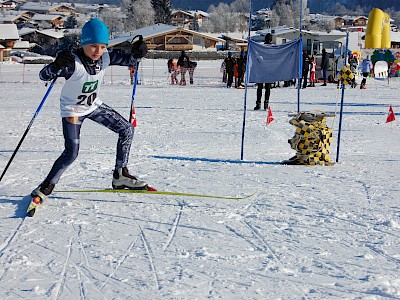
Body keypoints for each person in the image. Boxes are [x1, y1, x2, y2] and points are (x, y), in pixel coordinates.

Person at [31, 18, 149, 202]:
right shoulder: (72, 63)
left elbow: (131, 60)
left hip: (93, 106)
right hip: (73, 111)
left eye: (102, 46)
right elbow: (43, 75)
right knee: (71, 153)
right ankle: (46, 186)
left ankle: (120, 174)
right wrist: (55, 65)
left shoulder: (105, 57)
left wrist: (139, 51)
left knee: (126, 129)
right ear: (84, 43)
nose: (98, 51)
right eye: (94, 46)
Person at [255, 33, 273, 110]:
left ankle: (258, 103)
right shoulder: (273, 48)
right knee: (267, 88)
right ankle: (266, 103)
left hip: (261, 70)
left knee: (260, 87)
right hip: (269, 70)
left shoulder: (261, 47)